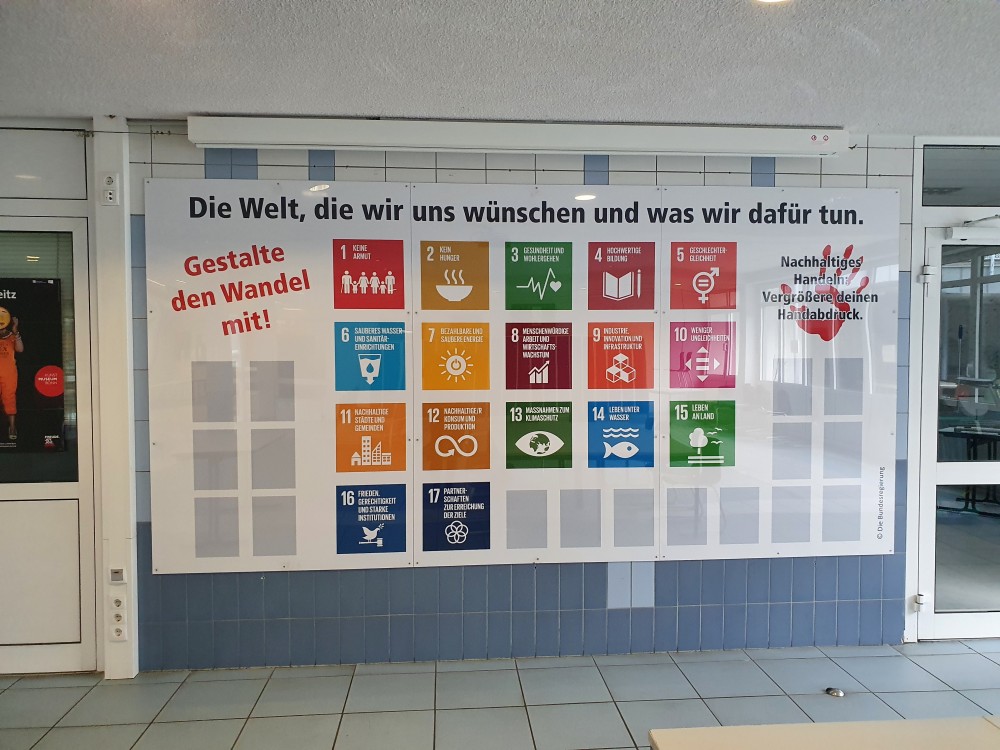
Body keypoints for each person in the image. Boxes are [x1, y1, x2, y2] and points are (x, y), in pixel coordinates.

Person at [0, 308, 22, 440]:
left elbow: (20, 349)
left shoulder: (12, 336)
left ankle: (12, 427)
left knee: (9, 399)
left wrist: (15, 330)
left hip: (9, 374)